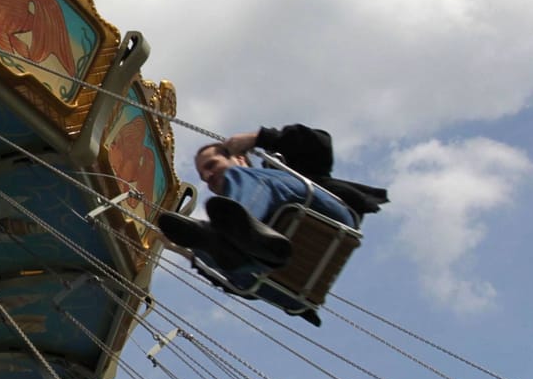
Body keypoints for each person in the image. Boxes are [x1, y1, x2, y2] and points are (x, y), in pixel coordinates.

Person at [156, 125, 386, 321]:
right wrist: (180, 249)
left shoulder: (272, 172)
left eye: (211, 166)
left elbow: (319, 143)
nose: (207, 177)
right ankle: (239, 244)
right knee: (214, 255)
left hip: (326, 216)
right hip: (283, 288)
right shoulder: (226, 211)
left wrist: (258, 138)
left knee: (235, 181)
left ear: (239, 158)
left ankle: (237, 235)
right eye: (202, 176)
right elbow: (235, 286)